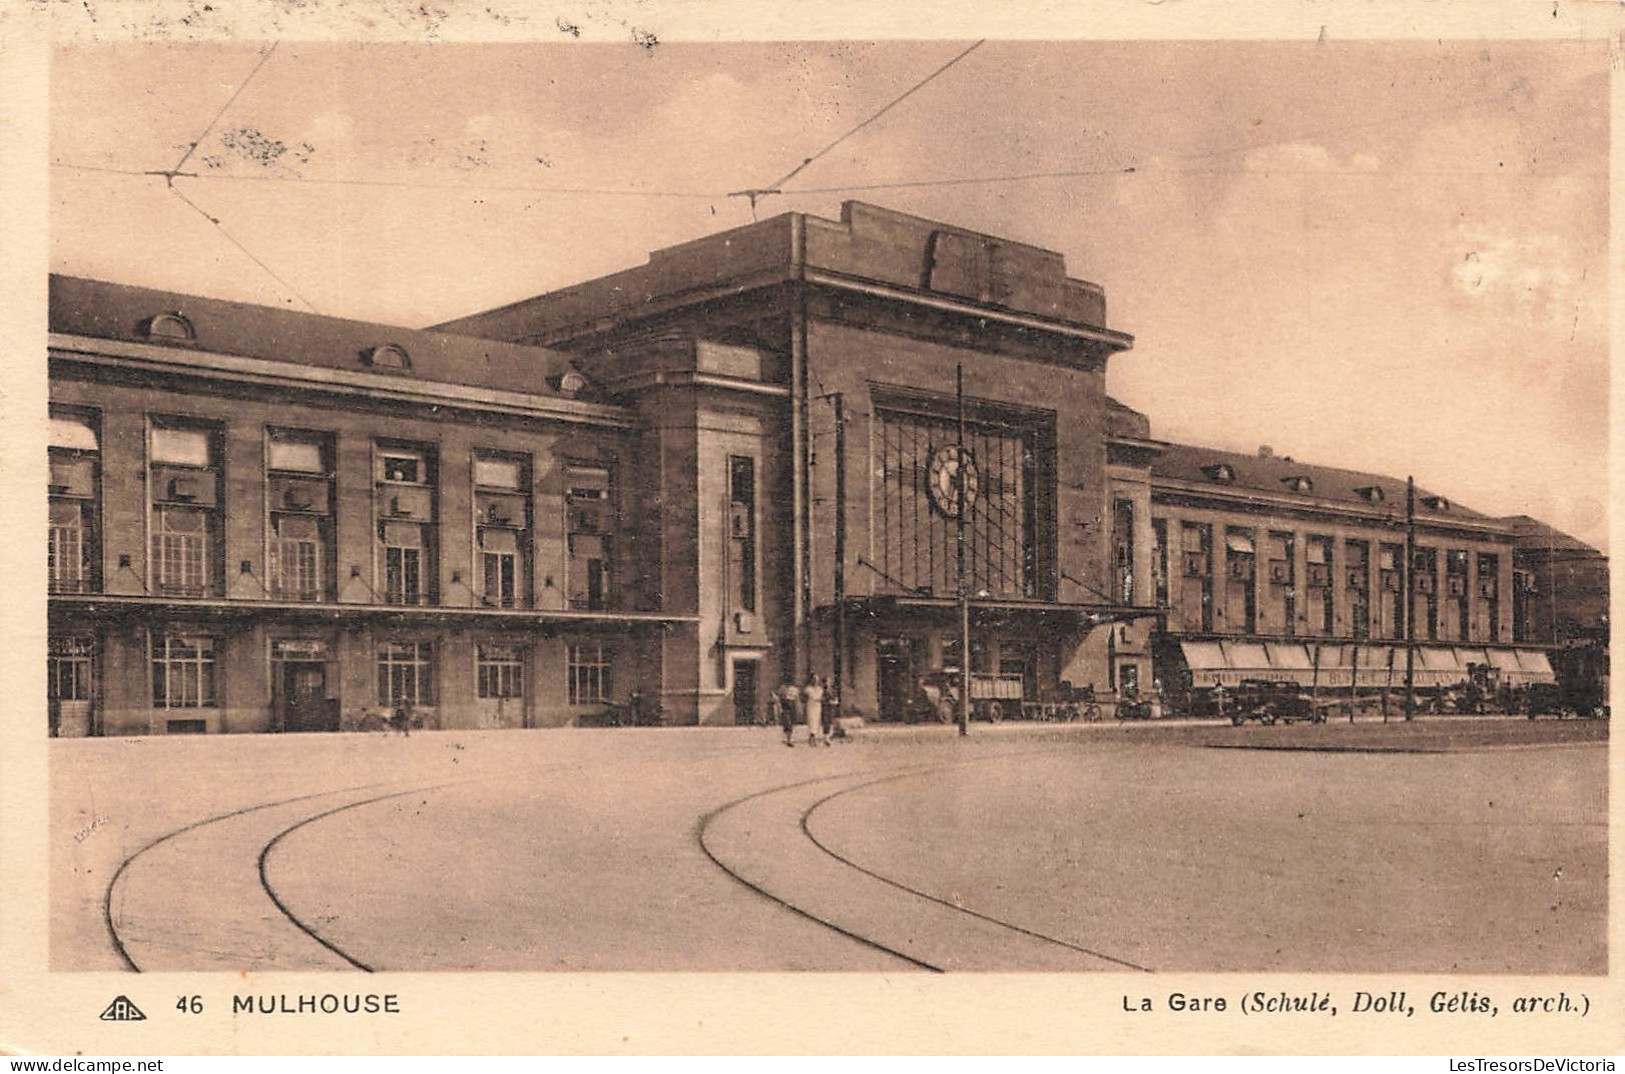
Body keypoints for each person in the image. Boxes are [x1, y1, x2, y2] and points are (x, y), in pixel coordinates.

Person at [802, 673, 826, 747]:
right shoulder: (808, 689)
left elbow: (822, 697)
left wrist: (821, 699)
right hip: (811, 706)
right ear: (811, 680)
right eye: (814, 679)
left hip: (818, 706)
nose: (815, 681)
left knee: (816, 722)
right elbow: (805, 698)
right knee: (811, 722)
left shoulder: (820, 689)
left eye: (816, 680)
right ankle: (812, 738)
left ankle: (813, 738)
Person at [776, 680, 799, 747]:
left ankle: (788, 738)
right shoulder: (782, 688)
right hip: (785, 706)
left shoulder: (794, 689)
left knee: (791, 723)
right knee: (787, 723)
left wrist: (798, 707)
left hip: (792, 706)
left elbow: (797, 699)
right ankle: (787, 739)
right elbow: (780, 698)